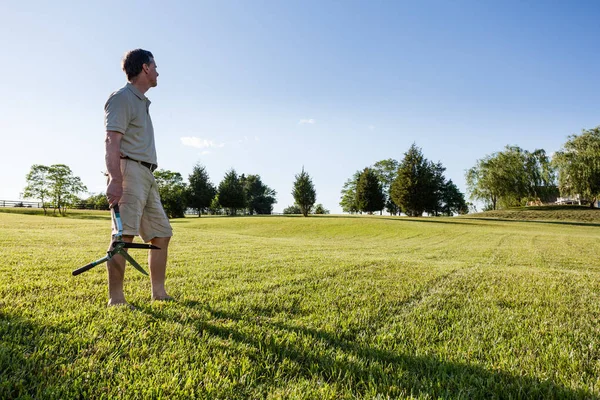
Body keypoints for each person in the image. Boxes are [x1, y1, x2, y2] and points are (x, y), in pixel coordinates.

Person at [104, 49, 173, 307]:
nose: (157, 72)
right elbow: (112, 140)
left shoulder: (141, 102)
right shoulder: (122, 98)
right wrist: (115, 179)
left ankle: (159, 292)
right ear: (145, 68)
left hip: (147, 174)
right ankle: (117, 299)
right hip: (128, 171)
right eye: (155, 66)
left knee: (162, 234)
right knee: (124, 237)